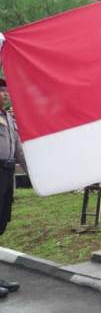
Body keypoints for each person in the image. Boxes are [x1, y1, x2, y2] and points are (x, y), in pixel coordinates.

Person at [0, 78, 23, 297]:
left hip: (7, 175)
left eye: (7, 91)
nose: (6, 94)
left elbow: (18, 150)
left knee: (1, 223)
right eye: (2, 91)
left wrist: (35, 175)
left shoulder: (8, 117)